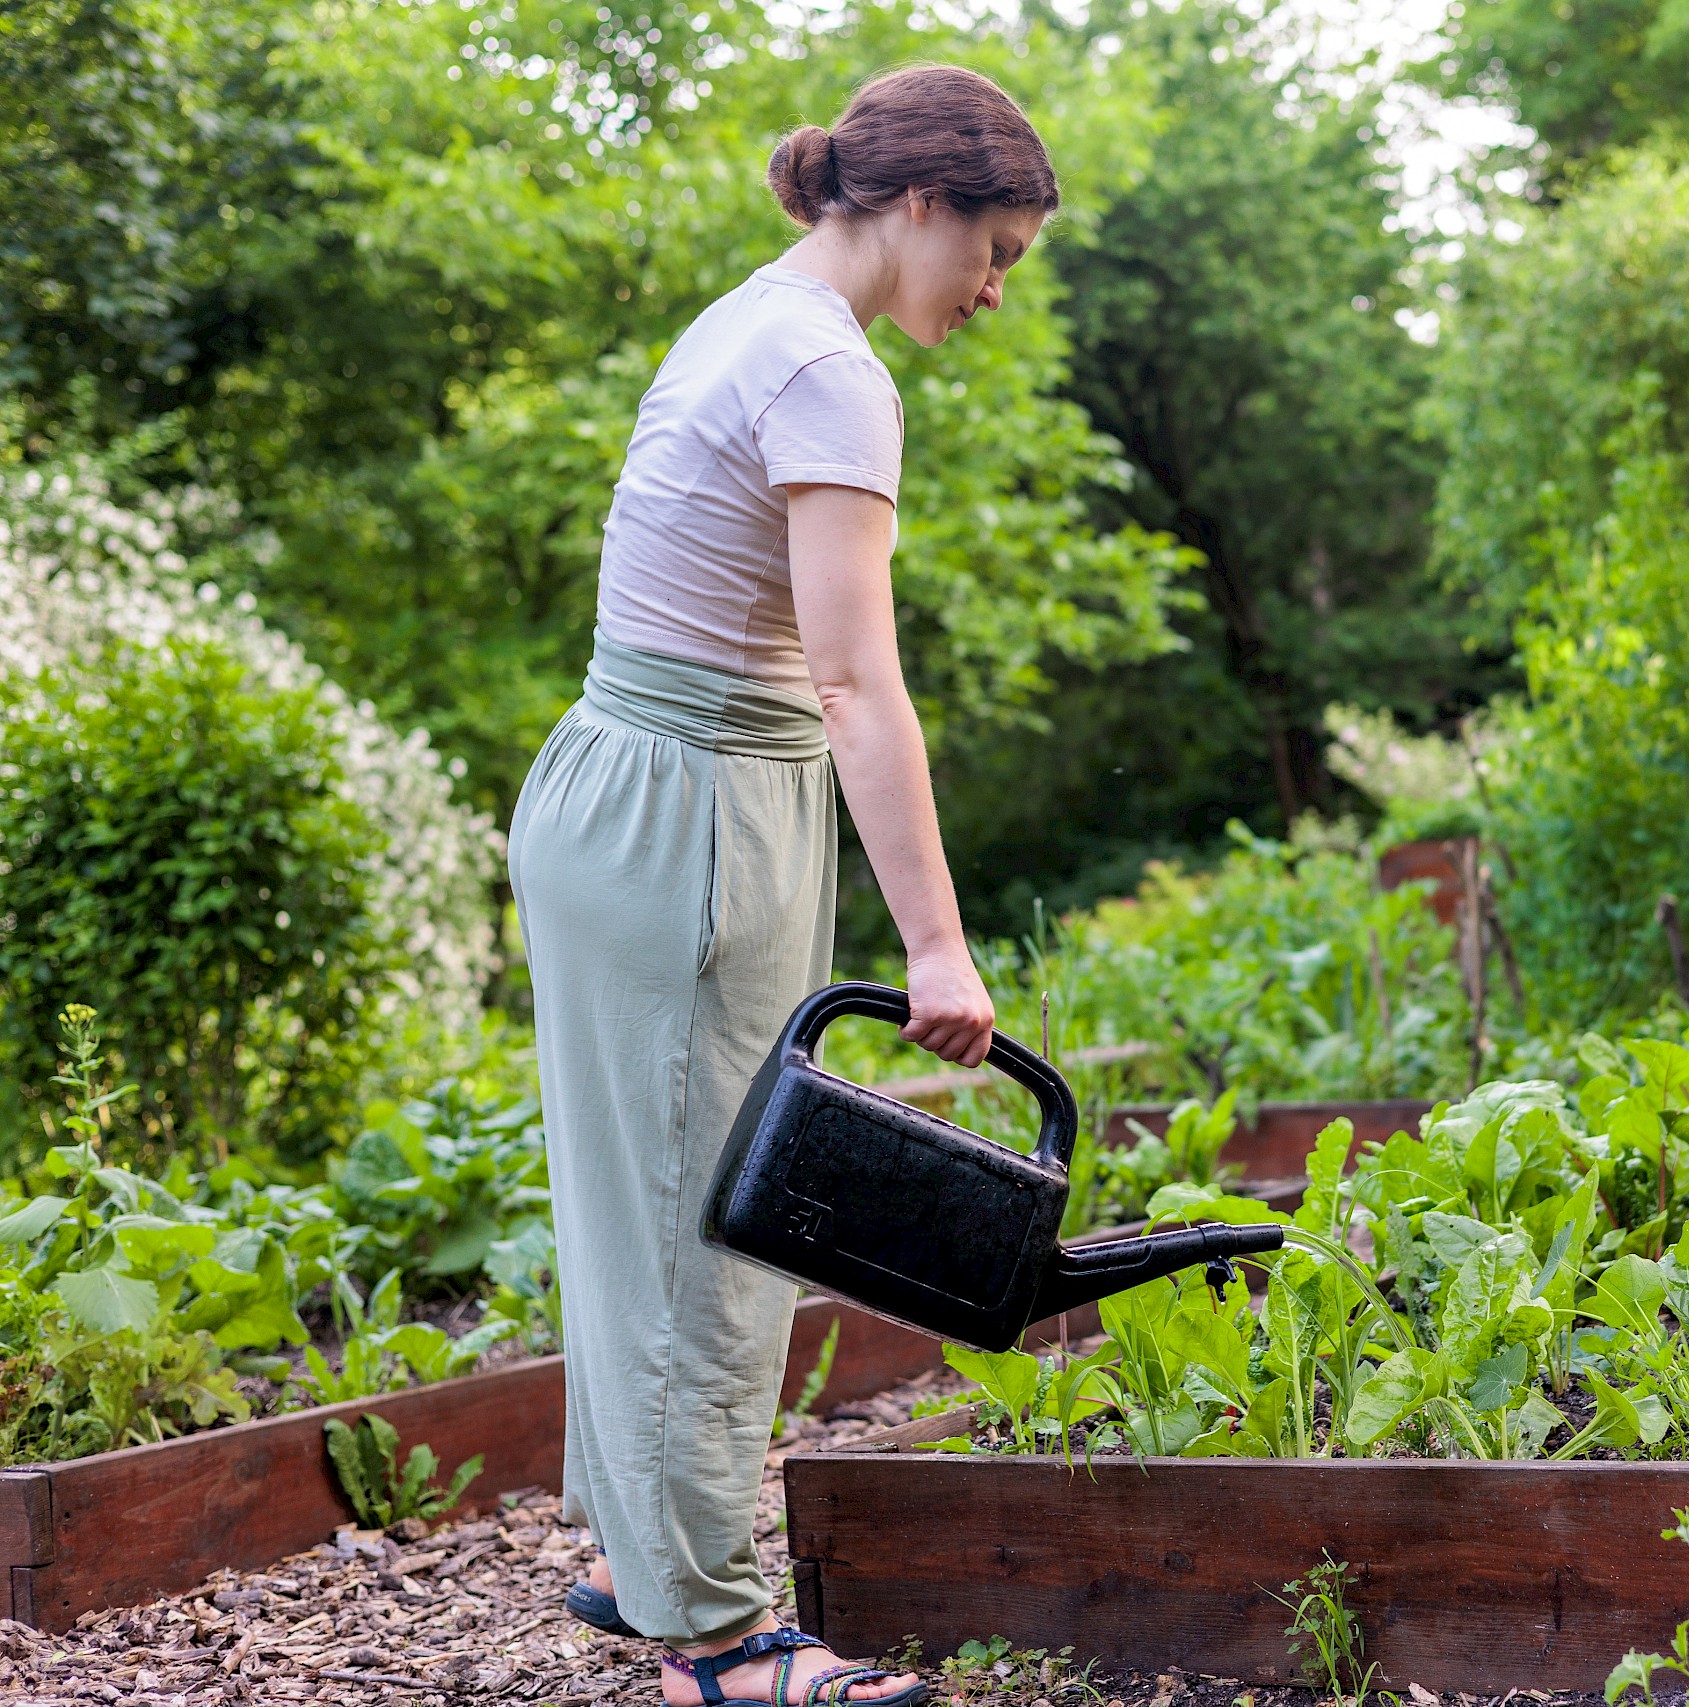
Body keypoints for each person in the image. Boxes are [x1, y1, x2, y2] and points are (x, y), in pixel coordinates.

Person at [507, 62, 1051, 1707]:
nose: (996, 290)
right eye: (995, 252)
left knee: (647, 1205)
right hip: (691, 811)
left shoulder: (750, 317)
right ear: (919, 202)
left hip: (630, 781)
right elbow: (856, 684)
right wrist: (939, 946)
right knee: (713, 1231)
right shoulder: (830, 369)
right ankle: (717, 1642)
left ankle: (640, 1557)